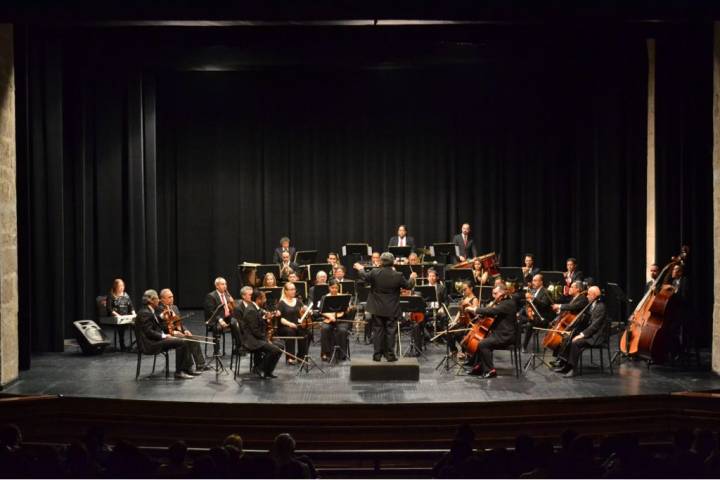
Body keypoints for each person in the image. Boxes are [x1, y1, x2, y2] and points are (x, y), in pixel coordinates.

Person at [354, 252, 417, 361]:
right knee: (390, 332)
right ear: (393, 262)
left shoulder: (374, 273)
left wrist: (360, 268)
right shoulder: (398, 275)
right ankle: (390, 355)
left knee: (378, 331)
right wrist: (412, 277)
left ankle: (377, 355)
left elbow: (364, 276)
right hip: (391, 308)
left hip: (377, 308)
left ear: (381, 261)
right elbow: (409, 286)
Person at [136, 289, 194, 379]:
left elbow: (153, 324)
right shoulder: (145, 313)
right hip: (149, 344)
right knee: (181, 342)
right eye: (156, 299)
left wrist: (160, 317)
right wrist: (164, 336)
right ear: (151, 300)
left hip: (154, 340)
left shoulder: (149, 310)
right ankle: (179, 372)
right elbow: (149, 332)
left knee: (182, 340)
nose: (158, 300)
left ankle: (185, 368)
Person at [465, 283, 518, 378]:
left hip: (505, 336)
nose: (493, 296)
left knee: (483, 344)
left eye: (495, 293)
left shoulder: (509, 303)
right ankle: (479, 367)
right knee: (480, 342)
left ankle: (490, 370)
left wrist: (475, 309)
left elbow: (492, 311)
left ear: (502, 293)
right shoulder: (504, 302)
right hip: (499, 334)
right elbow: (492, 313)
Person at [554, 286, 607, 377]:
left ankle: (573, 369)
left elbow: (595, 326)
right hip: (590, 333)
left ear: (594, 295)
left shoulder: (600, 307)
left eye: (589, 294)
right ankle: (566, 365)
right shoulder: (592, 304)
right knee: (569, 337)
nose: (586, 296)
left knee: (576, 342)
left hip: (596, 336)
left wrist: (582, 335)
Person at [158, 288, 210, 372]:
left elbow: (179, 323)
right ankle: (187, 367)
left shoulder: (174, 307)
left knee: (194, 339)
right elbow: (161, 326)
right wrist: (174, 332)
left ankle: (200, 364)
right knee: (185, 341)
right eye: (169, 297)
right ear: (162, 299)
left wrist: (185, 330)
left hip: (177, 332)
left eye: (172, 297)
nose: (172, 299)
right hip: (166, 334)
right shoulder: (159, 309)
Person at [239, 289, 283, 379]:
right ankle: (259, 368)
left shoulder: (256, 308)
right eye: (264, 298)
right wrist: (266, 339)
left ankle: (268, 371)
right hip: (252, 340)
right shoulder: (251, 310)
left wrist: (265, 318)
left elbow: (258, 324)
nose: (265, 300)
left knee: (280, 347)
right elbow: (255, 330)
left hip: (257, 337)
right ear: (258, 299)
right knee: (275, 350)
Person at [318, 279, 355, 361]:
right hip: (329, 319)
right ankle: (326, 353)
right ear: (329, 288)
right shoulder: (325, 297)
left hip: (341, 320)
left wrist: (348, 309)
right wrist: (330, 317)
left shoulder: (343, 297)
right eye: (332, 288)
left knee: (342, 330)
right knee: (324, 328)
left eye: (336, 288)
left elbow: (345, 311)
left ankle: (341, 354)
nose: (334, 289)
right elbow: (321, 311)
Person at [519, 274, 554, 352]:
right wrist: (527, 311)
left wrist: (532, 298)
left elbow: (544, 305)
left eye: (535, 280)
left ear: (541, 282)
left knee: (529, 324)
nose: (533, 282)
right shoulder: (532, 291)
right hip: (533, 316)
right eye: (533, 280)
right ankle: (517, 344)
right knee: (517, 318)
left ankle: (524, 346)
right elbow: (527, 305)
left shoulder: (546, 292)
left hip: (543, 318)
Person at [276, 282, 310, 364]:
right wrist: (289, 324)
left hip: (297, 325)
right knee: (290, 331)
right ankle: (290, 358)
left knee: (306, 332)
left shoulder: (298, 301)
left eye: (294, 289)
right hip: (285, 327)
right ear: (286, 291)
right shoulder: (281, 303)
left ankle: (301, 356)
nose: (293, 291)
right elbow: (280, 319)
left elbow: (303, 311)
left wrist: (307, 310)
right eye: (291, 289)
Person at [203, 277, 234, 356]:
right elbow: (211, 312)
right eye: (222, 284)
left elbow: (231, 309)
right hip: (214, 320)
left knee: (236, 323)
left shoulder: (227, 295)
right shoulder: (211, 296)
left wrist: (232, 302)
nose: (225, 286)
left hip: (226, 318)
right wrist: (220, 320)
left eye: (225, 284)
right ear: (217, 286)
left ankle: (238, 347)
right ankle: (216, 350)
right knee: (218, 327)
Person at [105, 278, 136, 351]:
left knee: (137, 324)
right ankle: (122, 345)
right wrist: (118, 316)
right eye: (120, 286)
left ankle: (138, 343)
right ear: (116, 287)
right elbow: (109, 309)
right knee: (121, 326)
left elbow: (131, 306)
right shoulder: (111, 295)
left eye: (123, 285)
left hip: (125, 316)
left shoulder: (126, 295)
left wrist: (134, 314)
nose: (122, 287)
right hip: (115, 317)